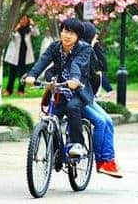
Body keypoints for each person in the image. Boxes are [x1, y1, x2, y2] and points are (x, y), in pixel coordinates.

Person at [25, 18, 91, 157]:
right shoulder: (55, 47)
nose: (68, 36)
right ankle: (55, 153)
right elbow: (43, 60)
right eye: (66, 31)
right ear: (61, 31)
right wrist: (32, 75)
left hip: (78, 90)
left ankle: (78, 144)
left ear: (78, 37)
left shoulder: (84, 48)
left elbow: (77, 64)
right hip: (60, 89)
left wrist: (74, 79)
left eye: (72, 33)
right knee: (52, 115)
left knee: (72, 107)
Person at [80, 21, 122, 177]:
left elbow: (102, 67)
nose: (97, 37)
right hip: (79, 98)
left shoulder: (89, 50)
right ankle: (101, 161)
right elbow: (96, 73)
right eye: (94, 35)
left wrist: (95, 46)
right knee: (100, 122)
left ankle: (108, 161)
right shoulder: (81, 52)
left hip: (88, 97)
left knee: (108, 122)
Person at [4, 15, 39, 96]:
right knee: (12, 74)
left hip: (25, 55)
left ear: (28, 21)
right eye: (21, 19)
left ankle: (21, 91)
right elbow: (8, 37)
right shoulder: (15, 28)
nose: (23, 21)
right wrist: (14, 29)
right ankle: (8, 91)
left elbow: (36, 34)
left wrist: (33, 25)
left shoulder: (29, 29)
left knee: (23, 75)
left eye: (25, 19)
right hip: (15, 55)